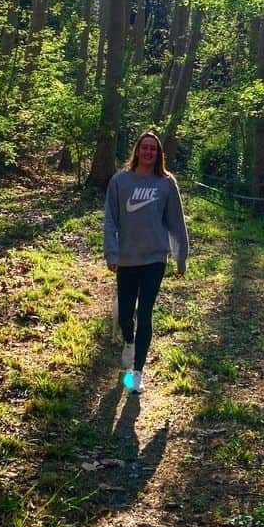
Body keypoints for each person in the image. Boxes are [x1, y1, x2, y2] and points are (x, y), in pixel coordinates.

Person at [104, 129, 189, 393]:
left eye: (153, 148)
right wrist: (112, 252)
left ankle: (136, 374)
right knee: (126, 315)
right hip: (127, 259)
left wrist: (180, 257)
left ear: (159, 153)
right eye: (145, 147)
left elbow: (176, 222)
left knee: (146, 312)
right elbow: (110, 219)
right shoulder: (120, 181)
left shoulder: (166, 183)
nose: (149, 152)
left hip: (155, 259)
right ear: (138, 150)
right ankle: (128, 341)